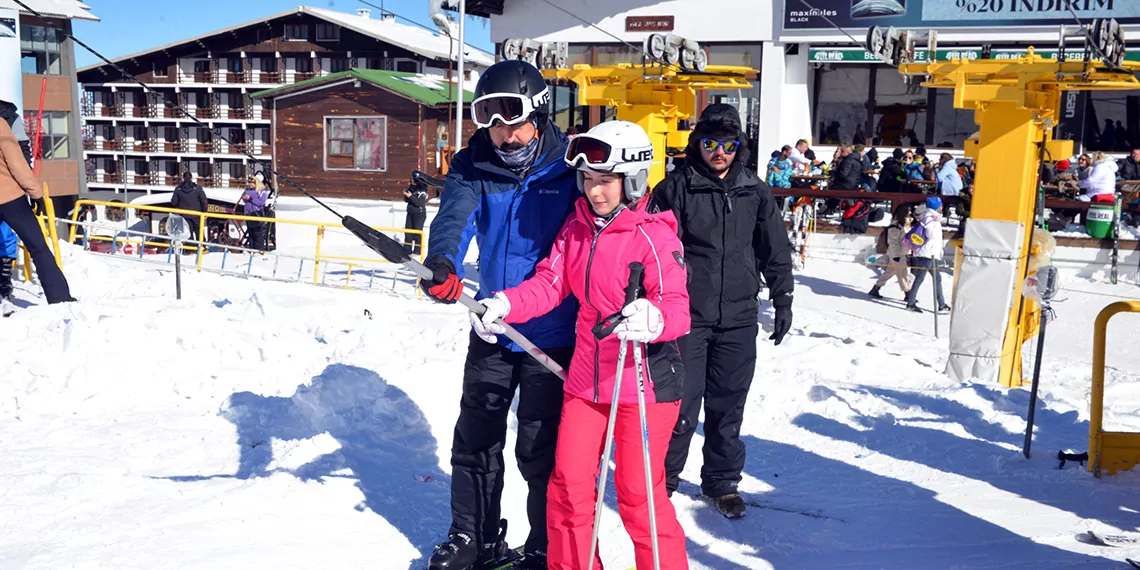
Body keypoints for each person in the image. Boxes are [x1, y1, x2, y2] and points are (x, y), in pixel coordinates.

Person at [473, 120, 690, 570]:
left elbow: (679, 307)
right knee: (568, 488)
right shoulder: (577, 228)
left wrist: (655, 317)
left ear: (631, 179)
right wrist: (504, 304)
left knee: (638, 497)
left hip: (643, 386)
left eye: (605, 180)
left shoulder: (653, 234)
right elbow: (551, 283)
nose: (595, 191)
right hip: (587, 383)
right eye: (588, 179)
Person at [420, 59, 578, 570]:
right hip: (491, 326)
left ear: (539, 112)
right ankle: (473, 537)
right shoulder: (474, 164)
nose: (503, 137)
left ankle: (544, 544)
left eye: (512, 124)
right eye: (491, 124)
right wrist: (443, 261)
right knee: (476, 437)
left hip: (551, 334)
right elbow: (454, 219)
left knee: (541, 446)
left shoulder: (570, 168)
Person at [648, 103, 794, 518]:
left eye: (728, 145)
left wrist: (782, 298)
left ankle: (722, 481)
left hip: (738, 316)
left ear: (738, 146)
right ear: (697, 144)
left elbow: (774, 248)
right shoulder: (676, 188)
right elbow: (654, 250)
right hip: (686, 316)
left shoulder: (754, 189)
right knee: (680, 403)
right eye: (710, 143)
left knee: (729, 403)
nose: (719, 152)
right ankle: (663, 482)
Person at [0, 111, 72, 304]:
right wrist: (36, 194)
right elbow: (17, 164)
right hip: (9, 198)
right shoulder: (1, 124)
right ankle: (60, 299)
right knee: (38, 248)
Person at [904, 197, 949, 313]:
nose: (942, 207)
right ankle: (911, 303)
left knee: (937, 278)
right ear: (935, 206)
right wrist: (936, 224)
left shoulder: (932, 218)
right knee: (920, 278)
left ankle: (942, 304)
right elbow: (932, 235)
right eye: (940, 205)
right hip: (927, 253)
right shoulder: (929, 219)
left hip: (932, 253)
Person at [869, 204, 914, 299]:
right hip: (897, 253)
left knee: (889, 272)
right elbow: (893, 242)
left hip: (902, 252)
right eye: (908, 211)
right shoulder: (895, 225)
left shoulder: (904, 223)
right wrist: (896, 255)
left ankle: (876, 288)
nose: (910, 213)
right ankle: (909, 294)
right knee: (902, 274)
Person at [170, 172, 208, 242]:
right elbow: (204, 201)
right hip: (197, 214)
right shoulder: (198, 188)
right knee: (199, 232)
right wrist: (205, 211)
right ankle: (202, 247)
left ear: (182, 179)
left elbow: (174, 202)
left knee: (187, 233)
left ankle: (189, 249)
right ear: (192, 178)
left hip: (184, 214)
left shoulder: (178, 189)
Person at [237, 172, 270, 251]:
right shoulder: (247, 190)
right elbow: (244, 200)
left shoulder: (262, 191)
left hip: (257, 213)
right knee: (251, 232)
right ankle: (251, 249)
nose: (250, 184)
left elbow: (261, 203)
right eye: (250, 183)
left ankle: (259, 249)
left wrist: (250, 198)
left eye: (252, 183)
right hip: (248, 213)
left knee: (257, 233)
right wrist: (245, 197)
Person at [402, 178, 429, 255]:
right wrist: (406, 195)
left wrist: (410, 196)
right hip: (410, 212)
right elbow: (407, 200)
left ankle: (417, 250)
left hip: (419, 213)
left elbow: (418, 203)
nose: (412, 182)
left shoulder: (422, 192)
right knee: (408, 232)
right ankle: (407, 249)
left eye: (413, 181)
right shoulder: (412, 189)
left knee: (417, 232)